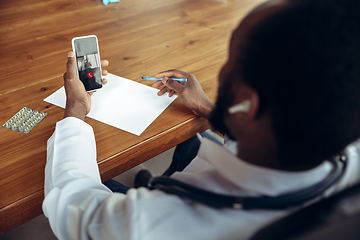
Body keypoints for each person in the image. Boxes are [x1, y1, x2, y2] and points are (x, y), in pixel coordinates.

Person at [43, 0, 360, 239]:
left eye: (231, 60)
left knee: (102, 181)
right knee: (188, 145)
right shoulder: (348, 159)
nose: (222, 72)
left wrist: (76, 109)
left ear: (249, 104)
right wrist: (212, 109)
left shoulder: (157, 222)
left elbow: (75, 212)